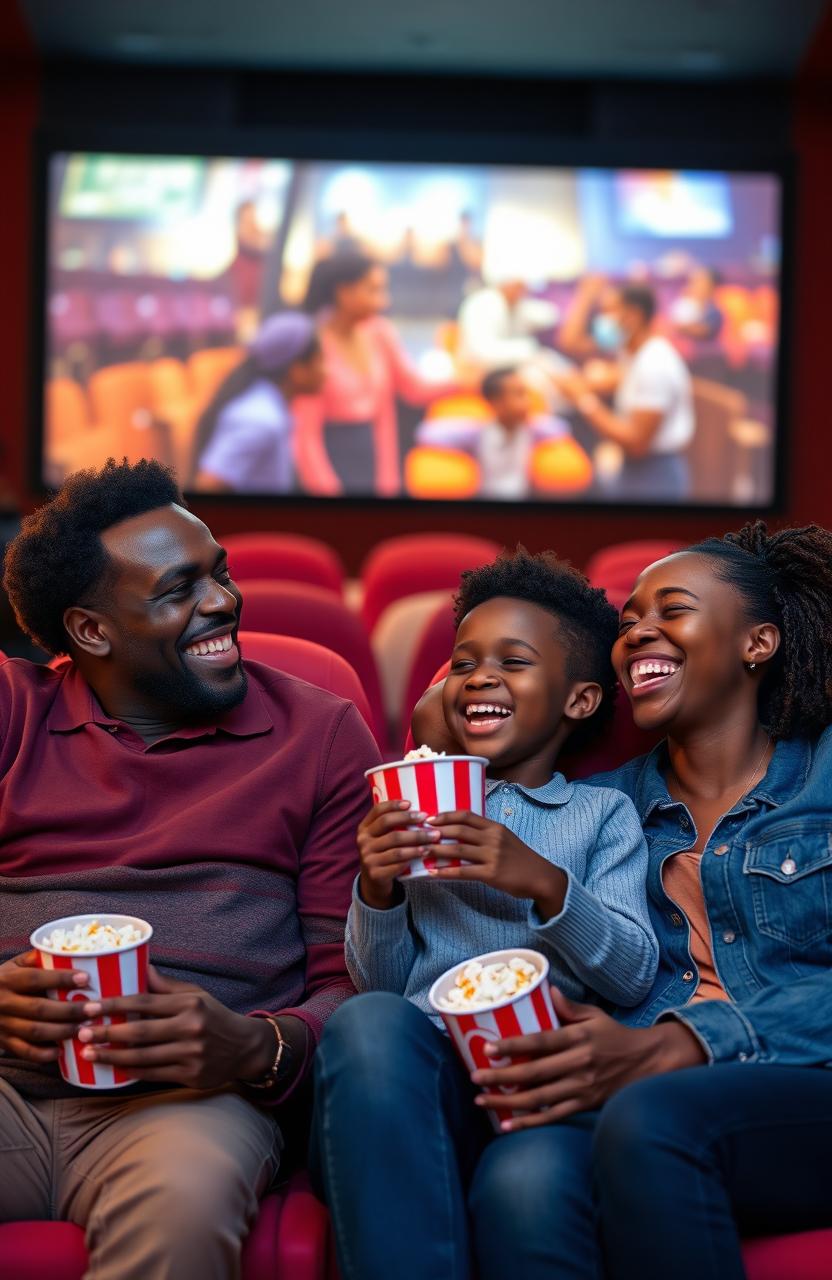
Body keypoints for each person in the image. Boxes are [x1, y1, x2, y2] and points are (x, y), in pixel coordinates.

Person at [0, 459, 379, 1280]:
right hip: (8, 1090)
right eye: (180, 589)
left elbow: (354, 984)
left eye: (221, 573)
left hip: (188, 1105)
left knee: (186, 1199)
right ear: (91, 631)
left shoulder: (319, 734)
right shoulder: (9, 714)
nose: (223, 603)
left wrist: (250, 1047)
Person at [451, 522, 832, 1280]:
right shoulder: (599, 810)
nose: (638, 633)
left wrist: (681, 1043)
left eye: (673, 610)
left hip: (800, 1083)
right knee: (520, 1175)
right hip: (635, 1094)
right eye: (627, 623)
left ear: (757, 643)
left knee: (652, 1118)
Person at [312, 549, 658, 1280]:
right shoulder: (413, 806)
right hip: (418, 1077)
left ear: (580, 701)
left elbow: (631, 972)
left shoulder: (602, 815)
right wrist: (376, 887)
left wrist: (541, 882)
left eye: (515, 661)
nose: (480, 677)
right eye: (463, 662)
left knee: (526, 1187)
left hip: (540, 1085)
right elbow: (380, 984)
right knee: (363, 1022)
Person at [294, 252, 453, 496]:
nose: (383, 301)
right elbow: (306, 439)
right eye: (373, 290)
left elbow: (413, 388)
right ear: (344, 293)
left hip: (376, 466)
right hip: (331, 464)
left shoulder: (380, 333)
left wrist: (467, 382)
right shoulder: (313, 345)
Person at [555, 283, 695, 500]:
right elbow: (574, 346)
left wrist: (583, 399)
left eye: (609, 311)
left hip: (654, 477)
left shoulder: (655, 365)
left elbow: (636, 443)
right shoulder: (631, 351)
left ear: (633, 316)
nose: (602, 320)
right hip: (636, 469)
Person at [191, 311, 324, 493]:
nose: (327, 371)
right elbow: (208, 485)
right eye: (321, 360)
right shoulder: (260, 420)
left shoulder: (272, 405)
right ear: (297, 369)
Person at [414, 366, 570, 499]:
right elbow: (426, 433)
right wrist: (473, 423)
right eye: (519, 395)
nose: (528, 402)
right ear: (496, 402)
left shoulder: (530, 430)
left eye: (526, 394)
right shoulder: (479, 432)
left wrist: (531, 419)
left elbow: (561, 428)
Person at [669, 265, 725, 342]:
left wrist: (680, 327)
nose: (693, 286)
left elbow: (705, 330)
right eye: (692, 282)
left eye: (699, 282)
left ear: (711, 287)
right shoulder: (685, 304)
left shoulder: (713, 310)